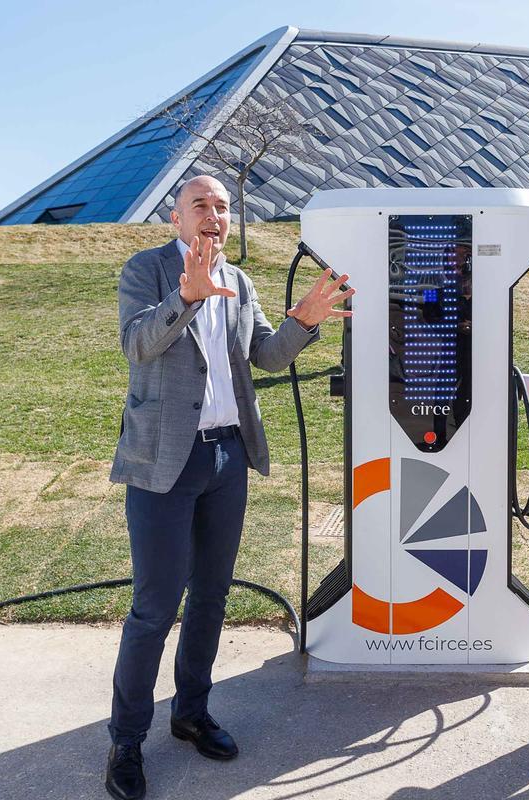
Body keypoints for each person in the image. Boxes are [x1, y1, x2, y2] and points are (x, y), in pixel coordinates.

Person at [104, 174, 354, 800]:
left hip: (225, 458)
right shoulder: (146, 270)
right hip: (163, 462)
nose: (213, 215)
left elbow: (265, 357)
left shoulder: (240, 281)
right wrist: (186, 297)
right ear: (175, 218)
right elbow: (137, 345)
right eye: (200, 206)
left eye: (221, 206)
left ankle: (191, 713)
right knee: (154, 608)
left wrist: (303, 321)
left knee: (211, 596)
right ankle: (127, 742)